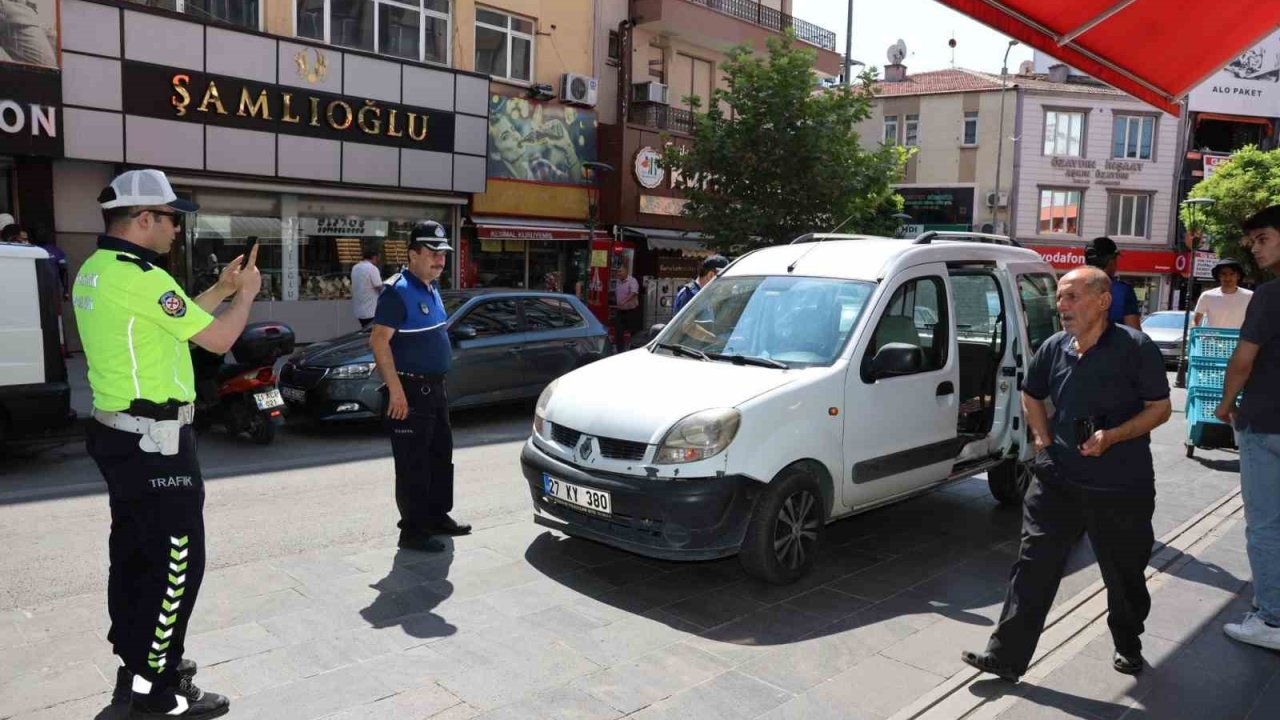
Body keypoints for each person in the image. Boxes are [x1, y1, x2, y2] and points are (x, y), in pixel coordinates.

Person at [74, 169, 261, 718]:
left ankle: (139, 658)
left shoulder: (101, 269)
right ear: (144, 219)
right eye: (172, 218)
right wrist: (245, 296)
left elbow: (175, 320)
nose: (177, 228)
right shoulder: (143, 277)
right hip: (154, 443)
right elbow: (219, 338)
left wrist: (223, 288)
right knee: (176, 563)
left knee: (134, 556)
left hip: (119, 435)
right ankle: (156, 690)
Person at [962, 266, 1172, 682]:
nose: (1062, 306)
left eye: (1072, 296)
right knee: (1032, 563)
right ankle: (1005, 656)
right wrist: (1041, 442)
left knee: (1124, 572)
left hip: (1119, 484)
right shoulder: (1054, 347)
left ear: (1103, 301)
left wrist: (1112, 436)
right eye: (1059, 297)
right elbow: (1031, 394)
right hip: (1057, 478)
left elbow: (1160, 408)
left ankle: (1128, 644)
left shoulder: (1135, 347)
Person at [369, 221, 470, 554]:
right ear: (412, 254)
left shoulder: (430, 286)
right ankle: (412, 530)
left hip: (435, 390)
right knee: (413, 464)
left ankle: (437, 516)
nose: (440, 260)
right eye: (432, 253)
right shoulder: (396, 291)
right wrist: (395, 391)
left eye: (443, 254)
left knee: (440, 456)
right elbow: (379, 341)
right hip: (410, 392)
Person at [1216, 205, 1280, 650]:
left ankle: (1272, 620)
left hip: (1266, 422)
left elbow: (1243, 359)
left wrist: (1224, 404)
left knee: (1264, 524)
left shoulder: (1271, 295)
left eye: (1262, 239)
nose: (1253, 248)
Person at [1085, 237, 1141, 330]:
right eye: (1115, 259)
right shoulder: (1123, 291)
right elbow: (1134, 332)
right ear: (1110, 261)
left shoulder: (1072, 286)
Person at [1194, 258, 1253, 329]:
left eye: (1232, 274)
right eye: (1224, 274)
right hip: (1213, 339)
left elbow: (1256, 319)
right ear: (1219, 276)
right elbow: (1195, 321)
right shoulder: (1207, 296)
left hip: (1239, 339)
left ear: (1238, 276)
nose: (1228, 278)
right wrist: (1195, 334)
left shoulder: (1249, 296)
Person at [350, 246, 382, 328]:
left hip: (359, 310)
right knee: (372, 333)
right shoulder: (372, 268)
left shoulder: (355, 267)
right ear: (374, 257)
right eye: (378, 258)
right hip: (371, 310)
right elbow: (379, 287)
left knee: (365, 330)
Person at [613, 263, 641, 352]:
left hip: (631, 311)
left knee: (633, 332)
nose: (618, 273)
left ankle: (634, 350)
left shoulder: (632, 281)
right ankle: (619, 351)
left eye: (620, 271)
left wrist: (624, 301)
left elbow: (633, 293)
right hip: (620, 311)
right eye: (618, 272)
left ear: (626, 271)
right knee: (618, 332)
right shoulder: (618, 281)